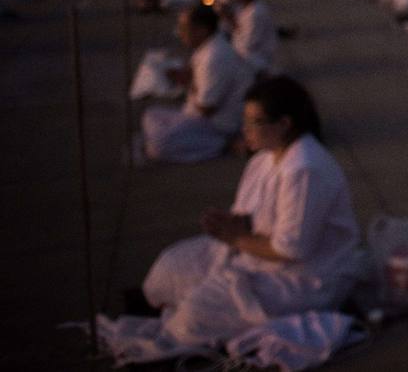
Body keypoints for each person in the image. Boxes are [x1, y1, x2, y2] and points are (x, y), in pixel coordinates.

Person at [103, 76, 362, 363]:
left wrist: (236, 237)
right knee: (169, 269)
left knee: (192, 318)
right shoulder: (263, 159)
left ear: (284, 125)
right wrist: (230, 226)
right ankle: (183, 305)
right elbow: (254, 219)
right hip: (255, 252)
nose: (245, 130)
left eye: (254, 122)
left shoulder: (304, 169)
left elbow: (291, 249)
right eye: (245, 120)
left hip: (302, 277)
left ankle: (192, 319)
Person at [141, 5, 254, 164]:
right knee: (150, 114)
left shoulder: (215, 57)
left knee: (160, 143)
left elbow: (206, 108)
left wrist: (187, 83)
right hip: (197, 115)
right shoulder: (206, 47)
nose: (179, 33)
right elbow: (192, 74)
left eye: (184, 28)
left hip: (219, 125)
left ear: (202, 30)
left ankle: (223, 145)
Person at [226, 0, 278, 75]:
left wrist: (230, 22)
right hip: (245, 55)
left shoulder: (256, 13)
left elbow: (248, 44)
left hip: (255, 60)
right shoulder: (243, 7)